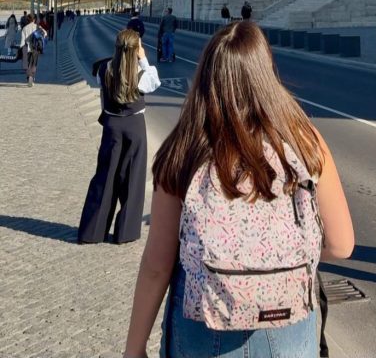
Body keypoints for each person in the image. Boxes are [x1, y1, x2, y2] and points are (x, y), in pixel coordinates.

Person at [123, 21, 354, 358]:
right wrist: (273, 261)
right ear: (267, 77)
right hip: (289, 324)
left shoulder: (184, 149)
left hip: (204, 326)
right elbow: (341, 244)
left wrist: (134, 348)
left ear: (206, 79)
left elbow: (158, 266)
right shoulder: (307, 142)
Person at [78, 28, 160, 245]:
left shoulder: (103, 69)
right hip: (134, 125)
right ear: (137, 49)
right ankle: (125, 232)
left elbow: (102, 85)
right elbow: (155, 82)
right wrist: (142, 59)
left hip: (111, 126)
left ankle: (93, 230)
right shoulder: (142, 75)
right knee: (133, 179)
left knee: (105, 177)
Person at [21, 13, 47, 86]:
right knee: (34, 64)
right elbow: (45, 33)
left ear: (28, 20)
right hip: (35, 48)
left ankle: (29, 77)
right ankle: (32, 77)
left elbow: (22, 41)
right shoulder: (37, 27)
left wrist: (21, 48)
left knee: (26, 64)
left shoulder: (24, 28)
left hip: (26, 48)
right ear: (34, 19)